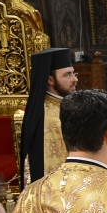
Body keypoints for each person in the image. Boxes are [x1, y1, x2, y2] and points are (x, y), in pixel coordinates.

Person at [20, 47, 78, 184]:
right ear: (50, 80)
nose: (75, 79)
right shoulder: (48, 120)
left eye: (74, 73)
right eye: (67, 75)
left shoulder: (67, 105)